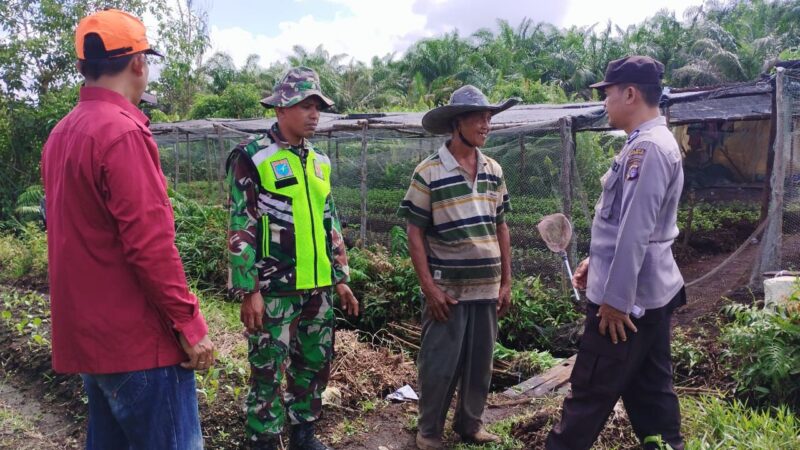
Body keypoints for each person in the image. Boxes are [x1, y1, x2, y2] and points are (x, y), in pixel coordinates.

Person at [41, 9, 214, 450]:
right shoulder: (122, 134)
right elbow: (151, 246)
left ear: (83, 67)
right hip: (139, 346)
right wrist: (189, 324)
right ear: (139, 63)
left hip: (92, 343)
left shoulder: (61, 135)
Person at [545, 55, 686, 450]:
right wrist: (597, 261)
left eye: (607, 94)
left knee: (589, 394)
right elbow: (623, 224)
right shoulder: (644, 143)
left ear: (629, 93)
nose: (604, 102)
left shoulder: (649, 150)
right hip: (650, 294)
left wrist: (615, 301)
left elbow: (636, 230)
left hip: (627, 306)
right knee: (651, 393)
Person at [227, 66, 359, 450]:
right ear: (281, 108)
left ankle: (304, 432)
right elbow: (241, 224)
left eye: (318, 105)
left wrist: (340, 276)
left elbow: (329, 221)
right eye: (305, 104)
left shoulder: (320, 161)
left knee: (314, 363)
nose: (314, 113)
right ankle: (264, 438)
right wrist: (248, 289)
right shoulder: (254, 156)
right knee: (267, 366)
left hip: (317, 287)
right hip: (275, 288)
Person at [397, 85, 517, 450]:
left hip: (487, 287)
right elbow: (414, 233)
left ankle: (471, 424)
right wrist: (429, 288)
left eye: (489, 117)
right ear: (457, 123)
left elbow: (501, 227)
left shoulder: (494, 170)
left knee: (480, 362)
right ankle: (429, 430)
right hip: (447, 290)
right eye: (479, 117)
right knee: (439, 362)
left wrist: (507, 281)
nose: (486, 124)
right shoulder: (429, 172)